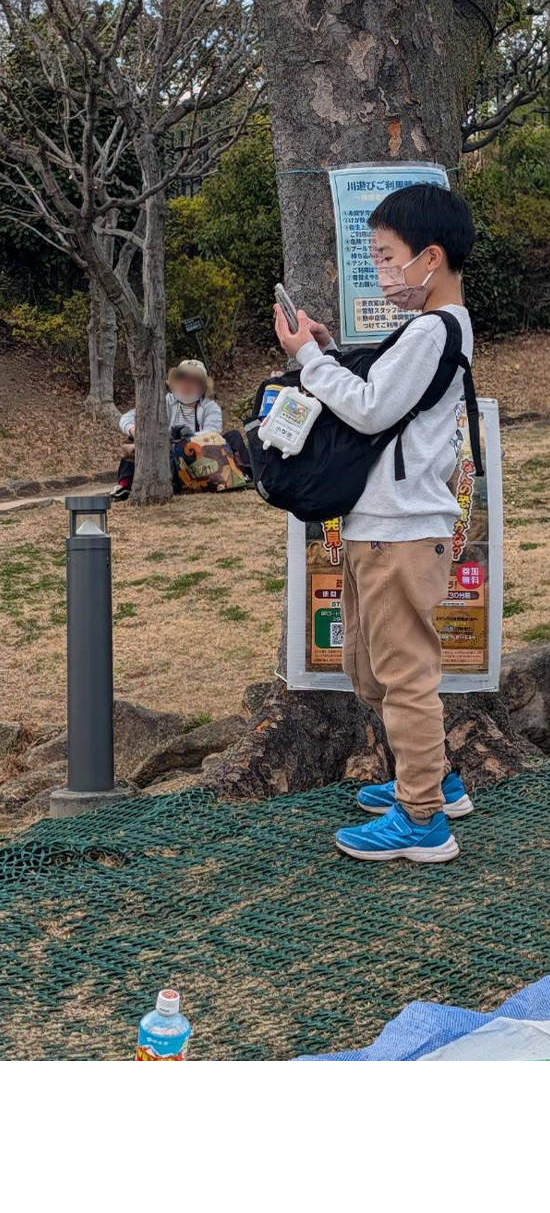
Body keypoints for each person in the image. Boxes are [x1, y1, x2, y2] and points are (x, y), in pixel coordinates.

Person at [273, 182, 476, 865]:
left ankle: (422, 820)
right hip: (383, 525)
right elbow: (381, 391)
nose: (383, 271)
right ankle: (434, 780)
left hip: (401, 529)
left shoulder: (434, 328)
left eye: (388, 256)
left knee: (403, 675)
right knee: (370, 669)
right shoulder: (428, 330)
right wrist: (327, 350)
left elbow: (368, 410)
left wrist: (308, 360)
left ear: (430, 257)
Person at [112, 358, 250, 499]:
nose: (186, 385)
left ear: (202, 386)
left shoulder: (210, 407)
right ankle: (125, 485)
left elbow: (213, 432)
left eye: (193, 381)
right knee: (132, 440)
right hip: (167, 454)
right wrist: (134, 430)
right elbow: (128, 417)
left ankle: (245, 474)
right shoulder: (164, 401)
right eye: (182, 379)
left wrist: (189, 438)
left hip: (200, 457)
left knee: (233, 436)